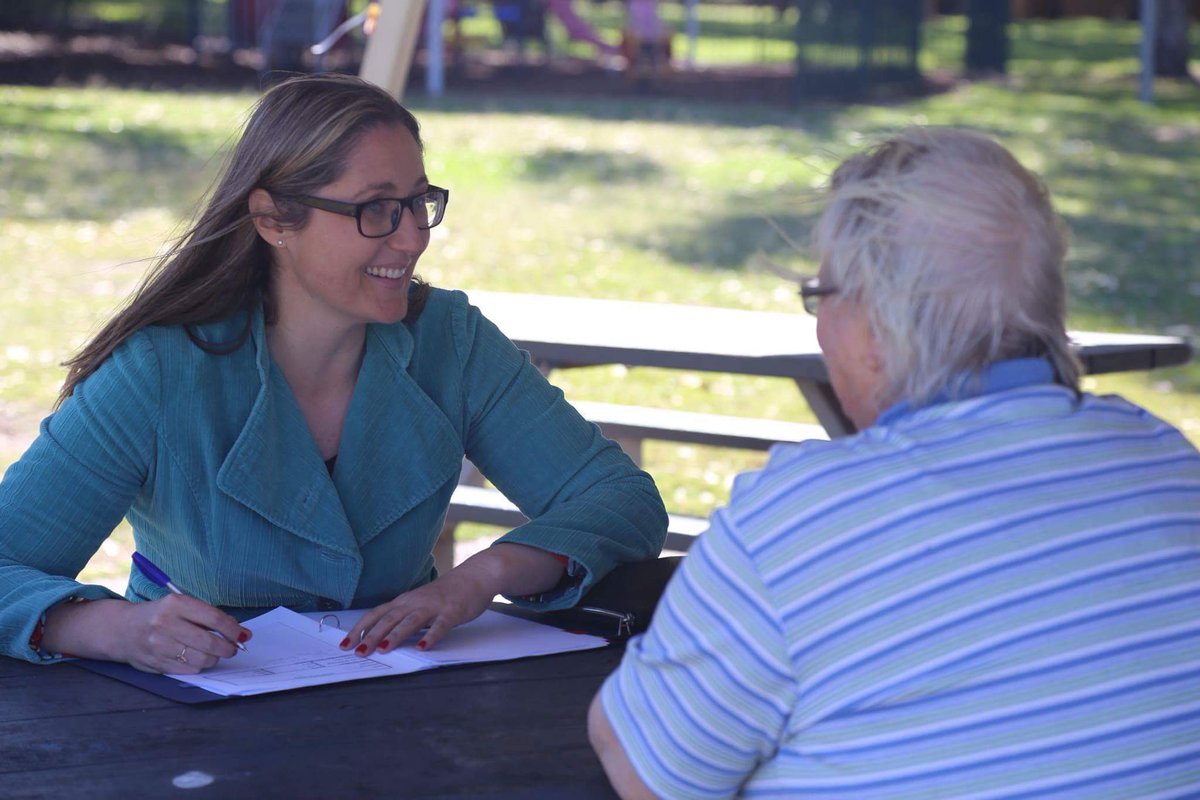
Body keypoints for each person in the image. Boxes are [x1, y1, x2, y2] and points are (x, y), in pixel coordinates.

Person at [589, 128, 1200, 798]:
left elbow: (643, 769)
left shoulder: (802, 523)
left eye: (821, 294)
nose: (819, 325)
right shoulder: (1171, 465)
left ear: (879, 323)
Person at [0, 73, 666, 674]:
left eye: (418, 201)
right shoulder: (158, 371)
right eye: (375, 208)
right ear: (272, 219)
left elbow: (621, 500)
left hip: (406, 710)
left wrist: (481, 575)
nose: (412, 237)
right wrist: (115, 629)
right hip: (192, 718)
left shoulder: (451, 341)